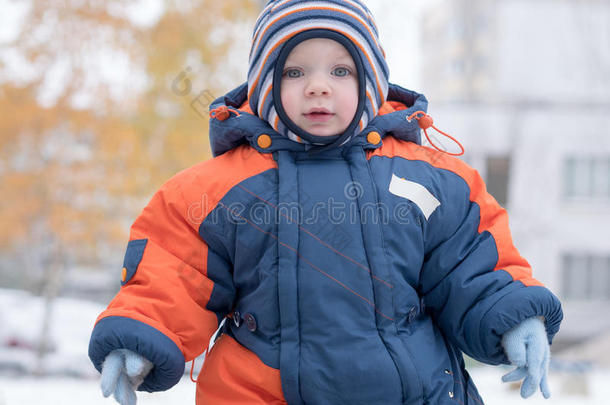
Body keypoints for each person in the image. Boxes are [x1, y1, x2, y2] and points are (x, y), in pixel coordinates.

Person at [88, 1, 563, 404]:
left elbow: (471, 265)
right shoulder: (214, 190)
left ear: (372, 82)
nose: (318, 86)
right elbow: (174, 271)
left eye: (341, 70)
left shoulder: (431, 178)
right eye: (294, 71)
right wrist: (143, 331)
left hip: (415, 390)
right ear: (264, 85)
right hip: (262, 391)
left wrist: (513, 314)